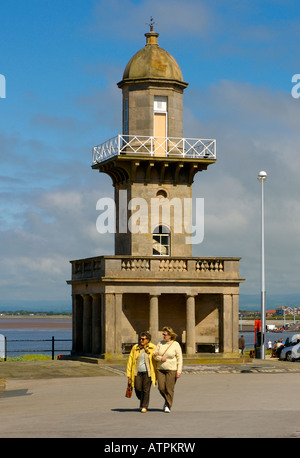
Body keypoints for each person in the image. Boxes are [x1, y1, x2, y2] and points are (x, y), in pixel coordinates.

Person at [153, 326, 182, 413]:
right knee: (161, 388)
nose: (163, 336)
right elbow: (154, 354)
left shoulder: (175, 344)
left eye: (165, 334)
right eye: (163, 334)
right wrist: (160, 358)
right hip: (161, 369)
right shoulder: (160, 343)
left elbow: (179, 358)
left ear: (170, 335)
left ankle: (167, 405)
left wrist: (179, 371)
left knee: (169, 389)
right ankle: (167, 401)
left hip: (172, 369)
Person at [126, 331, 157, 413]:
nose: (141, 340)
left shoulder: (153, 347)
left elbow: (157, 358)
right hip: (137, 372)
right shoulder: (135, 347)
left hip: (148, 372)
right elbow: (130, 360)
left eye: (143, 339)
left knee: (146, 390)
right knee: (138, 388)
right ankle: (143, 400)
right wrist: (128, 374)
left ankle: (144, 406)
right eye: (140, 339)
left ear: (148, 340)